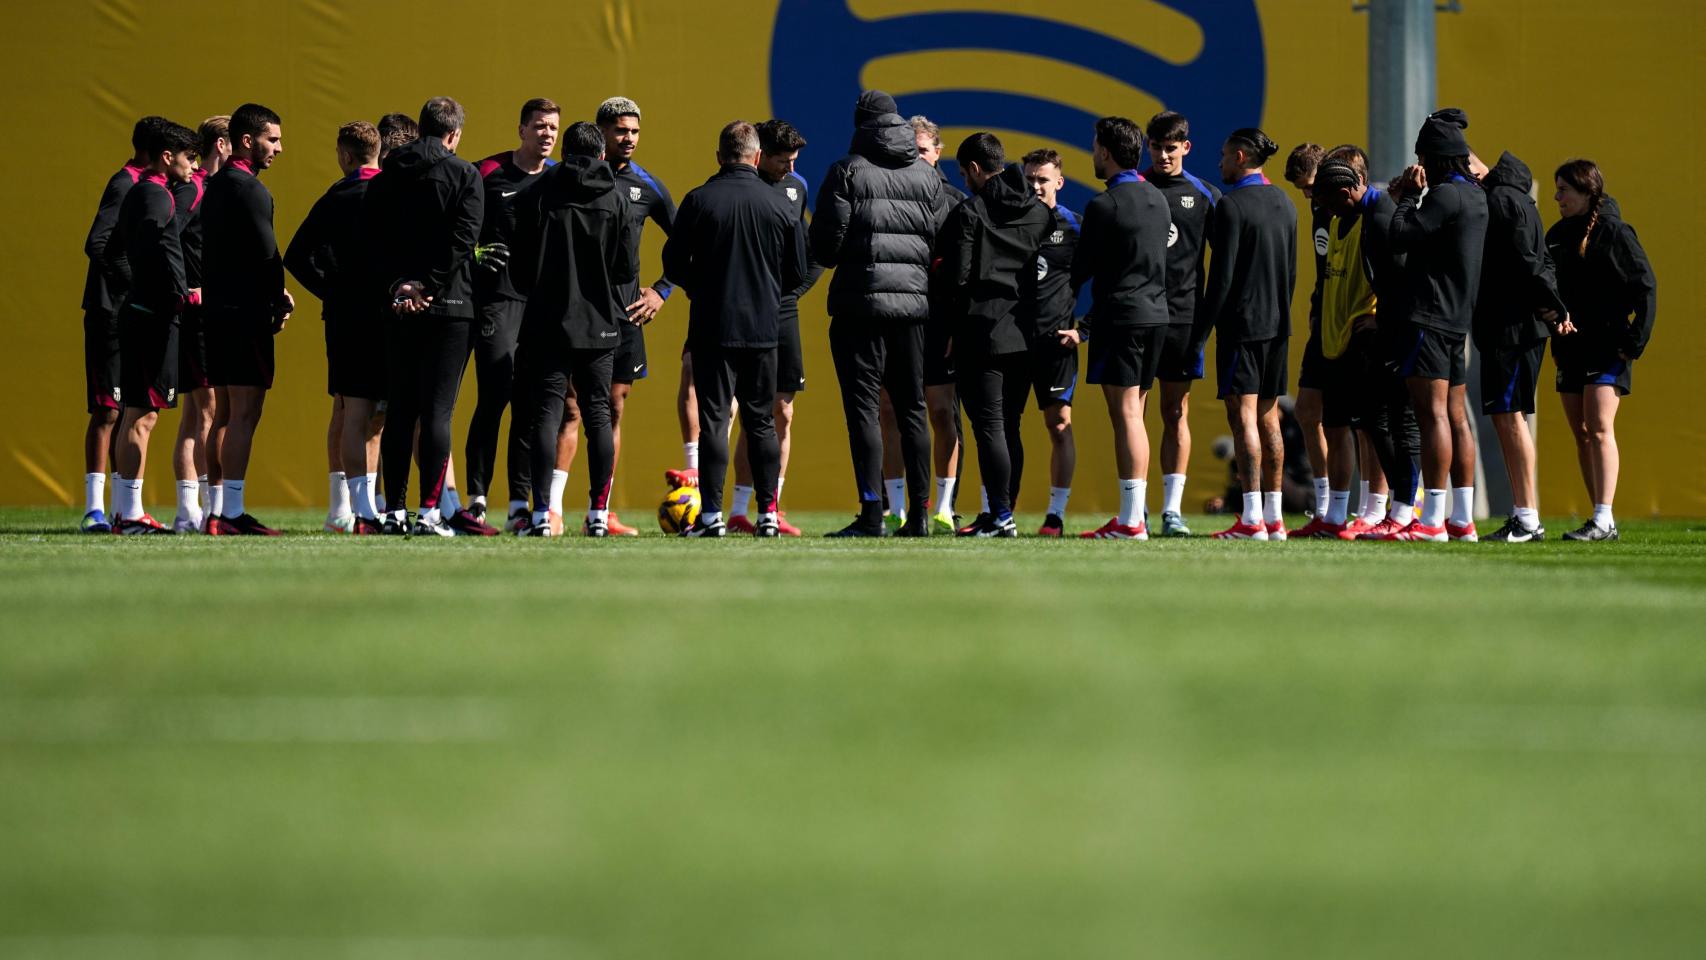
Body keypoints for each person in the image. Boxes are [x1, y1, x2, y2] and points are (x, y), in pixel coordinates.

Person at [662, 121, 809, 537]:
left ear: (719, 156)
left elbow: (673, 265)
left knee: (713, 422)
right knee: (761, 421)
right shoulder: (781, 204)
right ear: (757, 157)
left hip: (713, 326)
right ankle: (767, 515)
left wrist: (703, 289)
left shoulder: (699, 199)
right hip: (764, 329)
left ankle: (711, 518)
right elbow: (797, 271)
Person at [812, 90, 942, 537]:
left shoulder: (846, 171)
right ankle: (921, 515)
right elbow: (940, 238)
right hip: (911, 306)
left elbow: (825, 247)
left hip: (859, 306)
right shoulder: (926, 177)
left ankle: (873, 513)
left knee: (864, 411)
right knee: (912, 408)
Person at [508, 121, 635, 537]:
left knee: (546, 414)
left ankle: (542, 513)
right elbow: (625, 268)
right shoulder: (615, 198)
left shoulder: (538, 192)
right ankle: (598, 514)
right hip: (598, 323)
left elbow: (520, 265)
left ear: (564, 150)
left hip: (547, 320)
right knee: (599, 414)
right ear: (601, 155)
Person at [365, 96, 484, 538]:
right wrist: (430, 286)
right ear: (453, 134)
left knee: (400, 410)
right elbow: (463, 240)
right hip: (450, 306)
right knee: (437, 413)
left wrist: (401, 286)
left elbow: (372, 242)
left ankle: (393, 512)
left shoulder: (386, 175)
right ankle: (430, 512)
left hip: (398, 306)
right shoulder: (464, 173)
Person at [1379, 108, 1489, 541]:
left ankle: (1430, 523)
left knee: (1432, 417)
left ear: (1436, 158)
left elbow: (1401, 235)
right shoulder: (1477, 195)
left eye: (1423, 156)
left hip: (1428, 316)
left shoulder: (1444, 196)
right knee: (1457, 418)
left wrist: (1407, 196)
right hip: (1457, 320)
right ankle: (1461, 520)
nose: (1419, 165)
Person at [934, 133, 1051, 537]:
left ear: (975, 169)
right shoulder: (1039, 212)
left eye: (966, 172)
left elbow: (958, 278)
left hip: (980, 332)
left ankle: (1000, 516)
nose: (965, 179)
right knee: (1010, 426)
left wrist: (950, 329)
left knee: (989, 428)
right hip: (1025, 331)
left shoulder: (970, 212)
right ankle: (1001, 513)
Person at [455, 98, 558, 535]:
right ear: (521, 130)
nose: (547, 134)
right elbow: (459, 228)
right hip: (497, 301)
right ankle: (477, 498)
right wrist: (475, 254)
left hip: (542, 306)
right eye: (539, 126)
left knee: (530, 405)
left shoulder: (559, 179)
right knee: (494, 396)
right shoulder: (487, 172)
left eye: (553, 128)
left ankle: (520, 503)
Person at [284, 120, 387, 534]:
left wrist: (332, 290)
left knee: (348, 407)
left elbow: (296, 255)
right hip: (388, 314)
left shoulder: (337, 195)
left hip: (345, 316)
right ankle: (364, 508)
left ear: (345, 155)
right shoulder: (393, 194)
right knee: (376, 411)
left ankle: (343, 507)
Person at [1072, 116, 1173, 540]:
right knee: (1136, 414)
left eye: (1095, 146)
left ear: (1107, 153)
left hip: (1123, 318)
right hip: (1156, 316)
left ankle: (1132, 521)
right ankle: (1135, 516)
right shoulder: (1157, 199)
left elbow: (1081, 268)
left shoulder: (1104, 205)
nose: (1093, 153)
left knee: (1127, 414)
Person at [1548, 159, 1656, 541]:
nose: (1557, 196)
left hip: (1608, 347)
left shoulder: (1614, 231)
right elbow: (1549, 290)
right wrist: (1551, 316)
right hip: (1570, 348)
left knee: (1598, 427)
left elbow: (1646, 288)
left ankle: (1603, 517)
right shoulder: (1557, 235)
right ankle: (1601, 519)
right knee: (1581, 431)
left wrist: (1633, 343)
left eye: (1565, 190)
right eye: (1557, 188)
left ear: (1587, 192)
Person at [1306, 157, 1413, 539]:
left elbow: (1403, 273)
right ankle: (1335, 517)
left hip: (1367, 342)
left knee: (1379, 425)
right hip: (1336, 341)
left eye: (1330, 201)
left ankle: (1398, 508)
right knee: (1339, 424)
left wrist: (1381, 318)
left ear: (1347, 191)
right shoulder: (1339, 220)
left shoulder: (1379, 217)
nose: (1326, 210)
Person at [1199, 128, 1298, 540]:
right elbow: (1290, 273)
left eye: (1223, 155)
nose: (1219, 162)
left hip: (1242, 326)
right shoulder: (1286, 203)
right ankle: (1274, 519)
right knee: (1269, 417)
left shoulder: (1231, 206)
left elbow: (1220, 280)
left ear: (1240, 157)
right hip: (1278, 326)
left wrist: (1199, 333)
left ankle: (1252, 518)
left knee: (1243, 419)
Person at [726, 119, 820, 536]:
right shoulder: (737, 184)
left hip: (781, 310)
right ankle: (735, 509)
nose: (790, 168)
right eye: (784, 161)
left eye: (795, 161)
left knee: (782, 411)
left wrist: (795, 291)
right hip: (740, 310)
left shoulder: (796, 187)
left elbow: (805, 248)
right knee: (741, 409)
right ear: (760, 155)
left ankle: (771, 505)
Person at [106, 119, 199, 533]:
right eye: (189, 157)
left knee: (137, 414)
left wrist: (147, 290)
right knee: (143, 416)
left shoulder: (140, 192)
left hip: (143, 312)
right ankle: (129, 515)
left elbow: (114, 250)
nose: (193, 166)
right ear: (168, 157)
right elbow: (160, 248)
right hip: (152, 319)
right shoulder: (157, 196)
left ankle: (125, 512)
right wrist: (177, 293)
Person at [203, 102, 290, 536]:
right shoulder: (251, 189)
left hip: (216, 313)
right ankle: (231, 513)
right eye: (272, 139)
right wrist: (279, 300)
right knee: (244, 415)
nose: (279, 147)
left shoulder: (215, 185)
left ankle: (215, 510)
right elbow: (266, 254)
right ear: (246, 141)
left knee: (222, 415)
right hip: (244, 317)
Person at [1474, 151, 1570, 542]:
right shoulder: (1517, 201)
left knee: (1511, 418)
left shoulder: (1504, 202)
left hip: (1514, 330)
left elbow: (1530, 264)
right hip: (1514, 327)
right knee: (1507, 418)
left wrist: (1555, 307)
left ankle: (1528, 517)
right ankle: (1524, 514)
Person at [881, 115, 967, 533]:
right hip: (898, 315)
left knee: (940, 411)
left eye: (922, 150)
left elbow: (963, 271)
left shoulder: (954, 201)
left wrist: (955, 323)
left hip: (938, 321)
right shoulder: (890, 192)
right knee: (889, 410)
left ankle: (945, 506)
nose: (915, 158)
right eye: (909, 150)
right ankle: (895, 507)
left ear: (938, 151)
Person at [78, 117, 164, 532]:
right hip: (109, 309)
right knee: (107, 410)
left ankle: (121, 508)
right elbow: (97, 242)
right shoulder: (125, 183)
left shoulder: (147, 186)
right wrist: (134, 284)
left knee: (129, 408)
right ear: (151, 151)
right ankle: (93, 509)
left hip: (130, 313)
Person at [597, 96, 675, 536]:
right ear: (603, 131)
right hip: (576, 312)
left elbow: (687, 243)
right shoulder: (573, 178)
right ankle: (543, 509)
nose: (628, 139)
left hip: (625, 312)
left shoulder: (647, 186)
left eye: (634, 132)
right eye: (620, 131)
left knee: (614, 405)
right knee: (568, 407)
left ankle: (603, 510)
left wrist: (661, 291)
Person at [1141, 111, 1221, 537]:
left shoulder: (1204, 196)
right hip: (1137, 317)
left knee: (1175, 410)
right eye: (1156, 147)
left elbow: (1224, 261)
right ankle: (1134, 509)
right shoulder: (1133, 189)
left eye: (1171, 148)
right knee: (1133, 412)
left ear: (1186, 148)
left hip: (1183, 319)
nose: (1164, 155)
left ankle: (1171, 511)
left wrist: (1210, 318)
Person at [168, 116, 227, 533]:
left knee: (197, 414)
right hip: (197, 313)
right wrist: (187, 285)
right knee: (204, 411)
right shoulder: (195, 187)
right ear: (223, 144)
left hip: (211, 312)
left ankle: (190, 511)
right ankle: (206, 508)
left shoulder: (216, 189)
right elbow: (165, 234)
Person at [1283, 142, 1346, 529]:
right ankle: (1325, 506)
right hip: (1324, 318)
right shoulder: (1318, 207)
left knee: (1359, 421)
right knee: (1308, 410)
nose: (1307, 195)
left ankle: (1389, 504)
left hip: (1350, 321)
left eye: (1309, 186)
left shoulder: (1350, 206)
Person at [1020, 148, 1082, 536]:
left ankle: (1055, 515)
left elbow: (1111, 280)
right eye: (1030, 180)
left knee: (1058, 424)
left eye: (1043, 179)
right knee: (1002, 427)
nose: (1037, 187)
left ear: (1059, 181)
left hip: (1056, 343)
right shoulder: (1008, 224)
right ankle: (999, 511)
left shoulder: (1075, 227)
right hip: (1010, 340)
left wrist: (1084, 329)